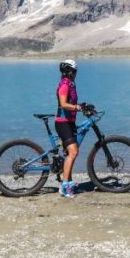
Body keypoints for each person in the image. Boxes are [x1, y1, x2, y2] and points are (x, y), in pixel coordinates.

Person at [55, 58, 87, 198]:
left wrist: (84, 106)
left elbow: (72, 102)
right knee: (73, 152)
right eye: (74, 71)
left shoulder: (70, 84)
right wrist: (77, 107)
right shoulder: (64, 85)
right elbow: (63, 104)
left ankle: (68, 182)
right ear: (69, 71)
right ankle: (64, 187)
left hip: (69, 122)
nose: (76, 73)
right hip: (62, 123)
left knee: (70, 154)